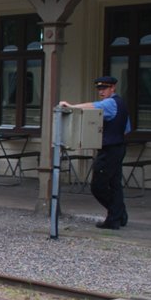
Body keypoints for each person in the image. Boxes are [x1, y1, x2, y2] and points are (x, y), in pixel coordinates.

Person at [60, 75, 131, 229]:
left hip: (110, 149)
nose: (101, 91)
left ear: (113, 88)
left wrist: (71, 106)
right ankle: (118, 217)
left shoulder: (111, 103)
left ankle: (116, 215)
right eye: (99, 89)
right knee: (114, 185)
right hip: (118, 146)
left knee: (98, 186)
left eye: (104, 88)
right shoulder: (121, 104)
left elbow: (94, 106)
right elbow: (127, 129)